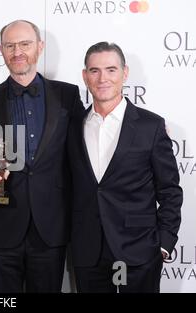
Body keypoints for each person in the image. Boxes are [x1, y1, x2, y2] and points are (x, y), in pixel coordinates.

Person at [0, 20, 84, 292]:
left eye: (25, 44)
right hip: (2, 226)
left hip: (50, 226)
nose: (17, 51)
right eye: (10, 45)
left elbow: (83, 150)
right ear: (2, 50)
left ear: (39, 47)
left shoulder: (67, 95)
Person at [67, 42, 183, 292]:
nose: (102, 78)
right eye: (94, 71)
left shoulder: (150, 126)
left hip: (139, 250)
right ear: (85, 76)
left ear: (125, 73)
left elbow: (170, 191)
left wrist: (164, 243)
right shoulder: (73, 126)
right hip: (89, 252)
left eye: (111, 70)